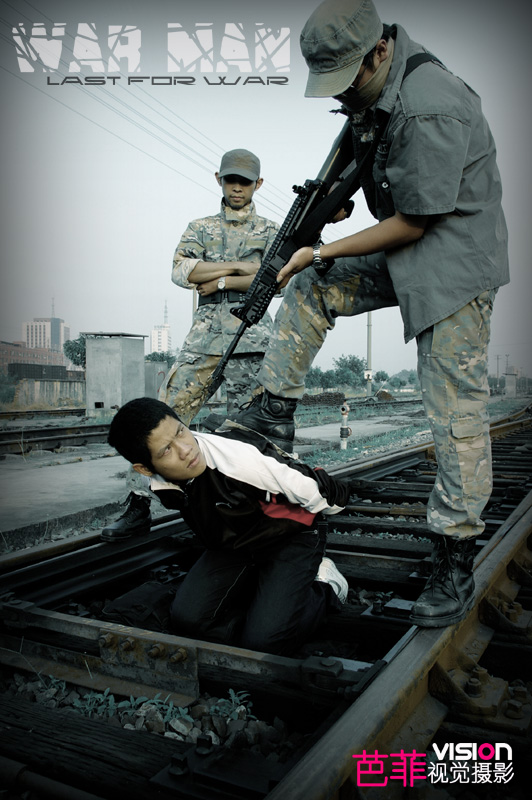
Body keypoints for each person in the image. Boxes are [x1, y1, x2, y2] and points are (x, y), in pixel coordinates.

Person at [236, 0, 509, 629]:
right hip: (408, 248)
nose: (343, 95)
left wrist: (322, 248)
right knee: (313, 287)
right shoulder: (371, 95)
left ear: (380, 49)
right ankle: (272, 414)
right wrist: (331, 207)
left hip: (453, 264)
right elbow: (370, 170)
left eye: (347, 80)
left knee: (454, 412)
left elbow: (415, 221)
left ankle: (455, 552)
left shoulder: (429, 103)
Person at [101, 149, 279, 541]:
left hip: (250, 339)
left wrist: (217, 280)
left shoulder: (272, 231)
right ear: (219, 179)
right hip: (204, 340)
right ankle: (139, 504)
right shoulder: (199, 227)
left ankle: (250, 511)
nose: (237, 187)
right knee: (159, 419)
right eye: (231, 179)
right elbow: (182, 272)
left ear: (258, 184)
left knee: (250, 430)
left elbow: (279, 280)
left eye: (245, 181)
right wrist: (242, 268)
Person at [106, 397, 351, 656]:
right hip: (234, 542)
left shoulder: (241, 461)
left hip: (289, 536)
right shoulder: (153, 482)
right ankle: (262, 614)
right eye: (166, 450)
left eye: (180, 431)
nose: (186, 449)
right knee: (187, 620)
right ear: (144, 469)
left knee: (265, 643)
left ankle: (327, 587)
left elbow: (325, 494)